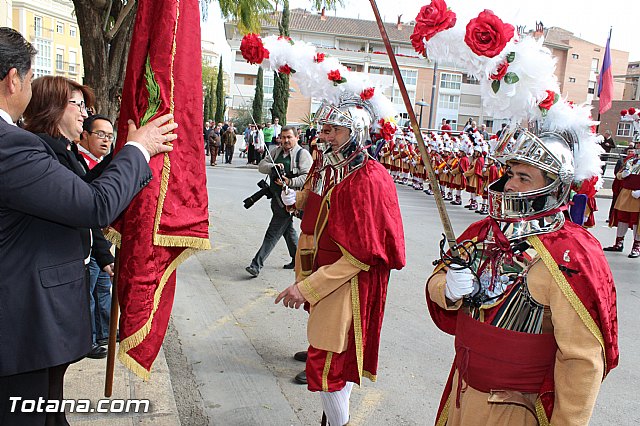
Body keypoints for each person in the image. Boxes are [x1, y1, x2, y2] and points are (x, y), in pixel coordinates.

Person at [0, 27, 177, 425]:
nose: (83, 112)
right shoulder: (12, 144)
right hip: (19, 322)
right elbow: (93, 205)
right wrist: (139, 149)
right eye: (29, 77)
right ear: (14, 79)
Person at [426, 128, 618, 425]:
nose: (510, 185)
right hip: (462, 394)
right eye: (511, 173)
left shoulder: (573, 253)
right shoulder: (482, 232)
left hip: (521, 408)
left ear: (554, 187)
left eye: (523, 177)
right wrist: (448, 290)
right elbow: (437, 279)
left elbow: (582, 360)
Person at [275, 96, 405, 426]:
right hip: (326, 271)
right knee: (334, 363)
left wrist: (307, 288)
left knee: (329, 365)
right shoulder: (331, 165)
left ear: (355, 132)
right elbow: (315, 202)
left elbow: (361, 256)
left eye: (332, 130)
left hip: (346, 282)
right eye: (323, 129)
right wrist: (295, 199)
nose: (324, 136)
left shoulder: (367, 179)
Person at [245, 126, 312, 277]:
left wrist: (289, 182)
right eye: (283, 137)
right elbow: (262, 166)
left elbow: (308, 177)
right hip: (276, 199)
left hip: (290, 201)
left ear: (297, 137)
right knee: (287, 230)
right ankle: (297, 260)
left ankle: (256, 265)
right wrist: (273, 166)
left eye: (289, 137)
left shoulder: (303, 154)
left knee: (273, 233)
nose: (286, 140)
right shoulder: (275, 152)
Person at [77, 113, 118, 350]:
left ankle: (105, 332)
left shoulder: (97, 162)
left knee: (104, 289)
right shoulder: (77, 161)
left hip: (102, 243)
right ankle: (90, 339)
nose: (105, 140)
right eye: (100, 134)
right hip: (90, 243)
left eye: (109, 137)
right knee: (89, 294)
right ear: (85, 135)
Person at [604, 147, 640, 257]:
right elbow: (619, 175)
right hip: (625, 194)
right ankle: (619, 243)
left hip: (637, 196)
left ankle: (637, 246)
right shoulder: (629, 161)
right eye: (638, 144)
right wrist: (622, 175)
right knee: (622, 219)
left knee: (636, 221)